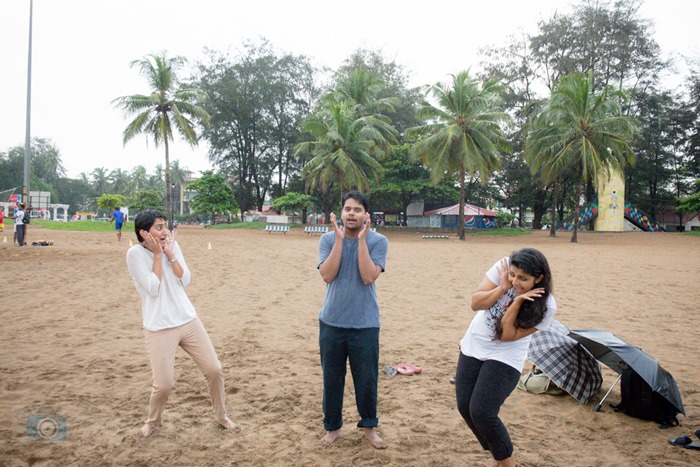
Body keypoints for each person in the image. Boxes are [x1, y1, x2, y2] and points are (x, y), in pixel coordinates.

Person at [126, 209, 239, 438]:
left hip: (187, 319)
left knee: (214, 369)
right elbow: (153, 288)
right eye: (159, 227)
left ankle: (221, 415)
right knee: (164, 384)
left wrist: (170, 254)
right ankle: (152, 421)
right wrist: (158, 256)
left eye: (165, 226)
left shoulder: (171, 246)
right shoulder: (134, 255)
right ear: (144, 233)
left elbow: (185, 279)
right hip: (158, 326)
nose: (165, 231)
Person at [455, 248, 556, 467]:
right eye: (513, 275)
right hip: (473, 345)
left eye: (523, 279)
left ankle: (506, 462)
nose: (515, 281)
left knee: (482, 412)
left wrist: (517, 302)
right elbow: (476, 303)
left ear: (539, 279)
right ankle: (497, 453)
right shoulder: (503, 268)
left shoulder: (546, 306)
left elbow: (507, 335)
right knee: (465, 408)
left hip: (506, 355)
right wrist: (502, 287)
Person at [316, 191, 389, 449]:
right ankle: (333, 427)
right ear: (341, 212)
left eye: (357, 209)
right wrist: (339, 240)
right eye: (347, 209)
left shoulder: (379, 242)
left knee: (366, 379)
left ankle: (369, 427)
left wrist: (361, 240)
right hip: (332, 321)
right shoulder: (327, 239)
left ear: (366, 215)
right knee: (332, 378)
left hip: (365, 323)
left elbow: (369, 276)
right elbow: (327, 275)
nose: (351, 213)